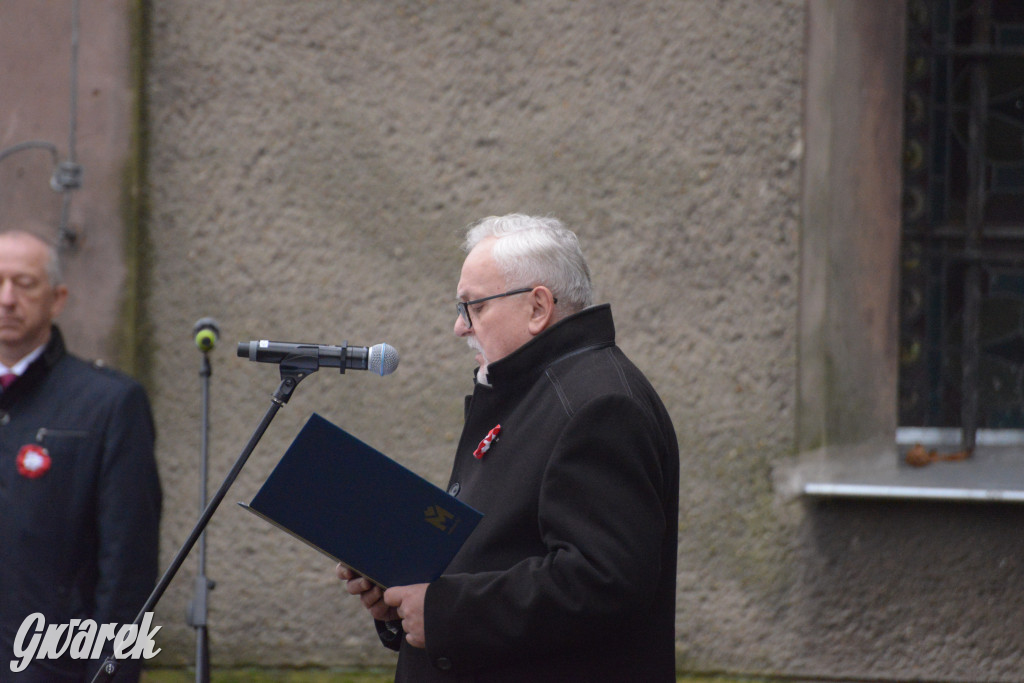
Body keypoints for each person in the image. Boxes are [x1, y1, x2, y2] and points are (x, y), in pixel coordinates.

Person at [338, 214, 679, 681]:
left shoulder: (598, 404)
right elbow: (500, 549)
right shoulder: (531, 391)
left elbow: (603, 582)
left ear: (538, 307)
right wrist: (401, 591)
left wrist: (443, 611)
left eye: (472, 307)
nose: (460, 328)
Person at [0, 229, 162, 682]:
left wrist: (110, 672)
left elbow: (127, 565)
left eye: (24, 283)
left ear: (57, 299)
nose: (7, 298)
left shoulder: (109, 403)